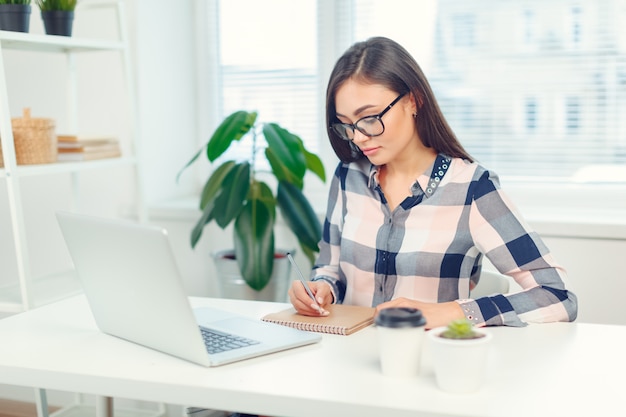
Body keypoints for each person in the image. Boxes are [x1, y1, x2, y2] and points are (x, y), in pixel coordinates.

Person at [288, 36, 578, 329]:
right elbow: (330, 267)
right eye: (346, 124)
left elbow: (558, 296)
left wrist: (452, 312)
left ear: (413, 100)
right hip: (346, 359)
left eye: (370, 118)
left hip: (430, 363)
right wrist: (320, 289)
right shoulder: (349, 175)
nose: (359, 137)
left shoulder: (472, 188)